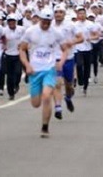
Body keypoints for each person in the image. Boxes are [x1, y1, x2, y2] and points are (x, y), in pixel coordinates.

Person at [19, 9, 68, 138]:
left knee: (47, 96)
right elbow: (22, 49)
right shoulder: (30, 31)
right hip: (34, 70)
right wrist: (27, 65)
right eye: (44, 21)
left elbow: (65, 50)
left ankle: (45, 126)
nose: (46, 24)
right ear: (40, 19)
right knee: (36, 104)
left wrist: (61, 62)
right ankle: (39, 92)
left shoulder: (56, 33)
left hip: (49, 69)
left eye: (48, 22)